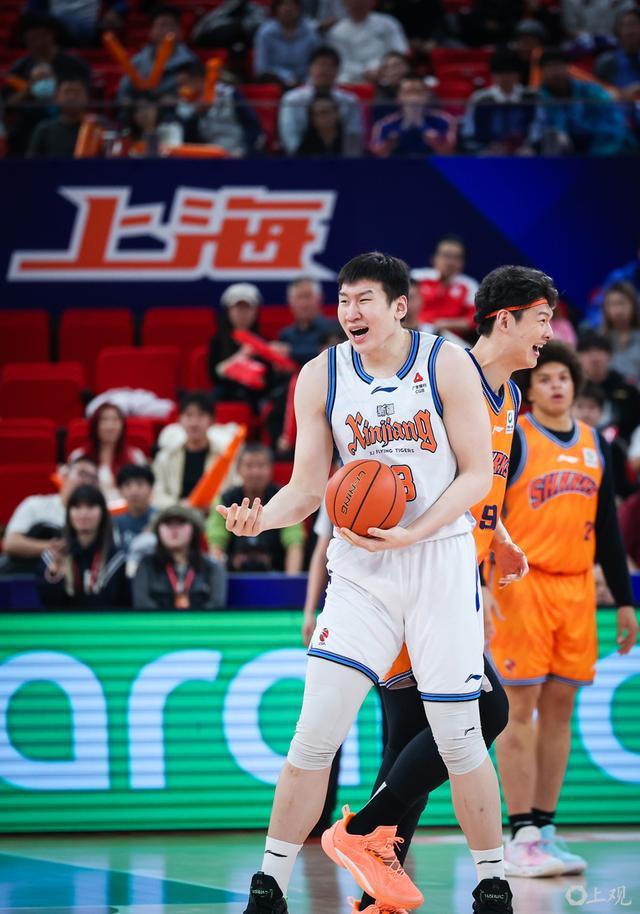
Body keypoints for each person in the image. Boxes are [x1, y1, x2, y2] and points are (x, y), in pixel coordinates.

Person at [218, 252, 512, 914]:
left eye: (364, 300)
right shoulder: (319, 375)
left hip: (438, 560)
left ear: (399, 306)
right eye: (344, 300)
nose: (350, 312)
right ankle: (268, 887)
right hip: (361, 571)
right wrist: (261, 518)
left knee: (461, 734)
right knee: (314, 733)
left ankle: (493, 885)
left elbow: (475, 474)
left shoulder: (446, 362)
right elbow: (306, 488)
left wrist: (415, 530)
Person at [325, 265, 561, 913]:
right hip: (409, 581)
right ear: (506, 318)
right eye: (542, 319)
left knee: (411, 738)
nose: (549, 334)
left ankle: (376, 891)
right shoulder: (445, 375)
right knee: (485, 714)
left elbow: (474, 484)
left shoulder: (508, 396)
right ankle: (366, 833)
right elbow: (399, 479)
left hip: (454, 584)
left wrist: (499, 536)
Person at [490, 341, 638, 875]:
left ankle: (545, 829)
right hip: (520, 585)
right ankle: (520, 833)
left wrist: (625, 601)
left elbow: (610, 533)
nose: (556, 385)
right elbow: (487, 515)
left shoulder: (597, 444)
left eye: (563, 378)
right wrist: (481, 586)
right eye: (546, 378)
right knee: (519, 710)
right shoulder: (515, 437)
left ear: (576, 386)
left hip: (577, 589)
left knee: (560, 712)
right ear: (530, 390)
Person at [208, 444, 305, 572]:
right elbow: (216, 543)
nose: (255, 472)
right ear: (238, 469)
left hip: (276, 574)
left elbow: (294, 542)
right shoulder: (225, 499)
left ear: (271, 469)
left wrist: (291, 580)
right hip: (233, 576)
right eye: (249, 466)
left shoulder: (285, 499)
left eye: (261, 466)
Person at [529, 49, 636, 156]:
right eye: (549, 68)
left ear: (568, 68)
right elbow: (537, 131)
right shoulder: (539, 99)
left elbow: (615, 123)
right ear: (542, 72)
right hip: (562, 157)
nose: (554, 72)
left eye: (558, 66)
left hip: (606, 152)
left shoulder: (592, 92)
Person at [37, 484, 129, 607]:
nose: (83, 514)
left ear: (103, 512)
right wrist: (55, 573)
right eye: (77, 507)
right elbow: (47, 601)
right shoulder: (54, 555)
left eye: (90, 507)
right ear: (68, 513)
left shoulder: (116, 557)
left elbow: (119, 602)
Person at [2, 456, 99, 571]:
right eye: (82, 474)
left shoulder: (95, 516)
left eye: (93, 478)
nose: (87, 481)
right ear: (65, 474)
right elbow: (10, 543)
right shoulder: (35, 504)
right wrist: (51, 546)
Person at [152, 392, 239, 509]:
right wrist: (180, 506)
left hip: (214, 513)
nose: (194, 423)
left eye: (201, 416)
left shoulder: (224, 456)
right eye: (189, 415)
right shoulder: (166, 456)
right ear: (179, 419)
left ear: (212, 420)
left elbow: (233, 489)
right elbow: (157, 493)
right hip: (176, 513)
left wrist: (214, 505)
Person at [133, 505, 227, 609]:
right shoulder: (146, 565)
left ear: (194, 529)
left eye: (181, 523)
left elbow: (216, 604)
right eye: (168, 523)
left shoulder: (212, 567)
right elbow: (142, 603)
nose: (174, 530)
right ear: (158, 530)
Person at [278, 45, 364, 155]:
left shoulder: (349, 100)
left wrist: (350, 162)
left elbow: (354, 135)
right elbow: (289, 136)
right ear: (310, 68)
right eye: (320, 64)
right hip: (302, 159)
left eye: (330, 66)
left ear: (338, 70)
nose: (324, 70)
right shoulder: (292, 99)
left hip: (341, 158)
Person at [175, 60, 263, 156]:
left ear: (198, 80)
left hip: (236, 150)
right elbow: (186, 138)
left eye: (184, 83)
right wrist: (195, 114)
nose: (181, 89)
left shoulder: (229, 94)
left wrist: (245, 149)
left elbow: (252, 124)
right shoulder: (184, 101)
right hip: (206, 153)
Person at [68, 402, 147, 506]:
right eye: (104, 420)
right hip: (92, 510)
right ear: (95, 425)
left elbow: (145, 491)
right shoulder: (79, 456)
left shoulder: (136, 456)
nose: (110, 426)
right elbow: (70, 495)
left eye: (115, 420)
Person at [461, 49, 537, 155]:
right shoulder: (480, 98)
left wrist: (528, 144)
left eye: (509, 73)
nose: (505, 77)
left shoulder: (530, 96)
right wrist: (486, 145)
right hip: (488, 151)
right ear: (493, 75)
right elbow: (469, 130)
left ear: (518, 74)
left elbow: (537, 126)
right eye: (500, 73)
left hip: (524, 150)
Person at [572, 381, 636, 500]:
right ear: (570, 409)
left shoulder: (612, 447)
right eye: (580, 406)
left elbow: (620, 487)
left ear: (601, 412)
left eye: (592, 407)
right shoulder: (558, 444)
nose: (586, 413)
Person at [117, 6, 196, 101]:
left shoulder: (191, 63)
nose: (166, 30)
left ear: (180, 31)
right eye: (162, 25)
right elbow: (123, 96)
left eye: (171, 25)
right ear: (151, 32)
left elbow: (194, 97)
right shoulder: (137, 62)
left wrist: (175, 101)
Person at [370, 74, 456, 157]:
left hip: (434, 165)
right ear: (398, 97)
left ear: (427, 96)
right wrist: (402, 129)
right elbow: (377, 155)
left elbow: (447, 152)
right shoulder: (384, 124)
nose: (413, 98)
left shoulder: (444, 120)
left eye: (418, 92)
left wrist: (422, 125)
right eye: (408, 93)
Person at [576, 331, 640, 442]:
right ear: (577, 357)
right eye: (587, 351)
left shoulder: (627, 389)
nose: (595, 357)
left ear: (611, 356)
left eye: (600, 350)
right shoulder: (572, 388)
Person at [411, 234, 479, 338]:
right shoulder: (417, 277)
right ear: (434, 258)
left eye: (456, 257)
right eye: (446, 256)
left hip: (448, 338)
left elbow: (476, 319)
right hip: (413, 331)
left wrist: (446, 324)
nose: (450, 262)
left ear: (463, 262)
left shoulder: (469, 285)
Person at [327, 0, 409, 84]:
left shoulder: (388, 23)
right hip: (353, 76)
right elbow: (341, 60)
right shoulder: (337, 31)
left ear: (371, 2)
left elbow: (400, 49)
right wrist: (363, 72)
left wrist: (383, 67)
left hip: (387, 71)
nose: (357, 3)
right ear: (344, 3)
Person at [8, 12, 91, 85]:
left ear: (51, 35)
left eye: (38, 37)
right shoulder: (19, 68)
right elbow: (9, 97)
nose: (36, 44)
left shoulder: (75, 65)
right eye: (31, 40)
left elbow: (85, 94)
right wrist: (29, 88)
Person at [254, 0, 319, 87]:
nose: (288, 9)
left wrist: (306, 83)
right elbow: (261, 68)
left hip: (305, 83)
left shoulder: (310, 32)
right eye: (284, 5)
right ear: (276, 9)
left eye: (292, 5)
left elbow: (316, 62)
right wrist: (285, 76)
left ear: (299, 9)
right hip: (275, 83)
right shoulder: (265, 33)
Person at [27, 77, 90, 157]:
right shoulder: (44, 130)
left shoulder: (96, 129)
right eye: (67, 92)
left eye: (77, 92)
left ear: (87, 97)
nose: (72, 97)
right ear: (56, 97)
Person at [6, 62, 57, 158]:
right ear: (30, 83)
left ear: (55, 79)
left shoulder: (65, 105)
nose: (44, 82)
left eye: (46, 78)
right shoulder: (22, 109)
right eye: (38, 79)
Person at [279, 277, 333, 365]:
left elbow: (331, 355)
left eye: (308, 296)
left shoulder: (334, 329)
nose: (303, 304)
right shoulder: (285, 335)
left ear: (320, 298)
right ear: (290, 301)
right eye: (299, 297)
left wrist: (289, 352)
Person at [599, 281, 640, 384]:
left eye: (622, 303)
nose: (618, 311)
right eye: (612, 305)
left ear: (634, 305)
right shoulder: (600, 339)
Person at [595, 8, 640, 96]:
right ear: (618, 31)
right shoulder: (606, 62)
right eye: (625, 26)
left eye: (634, 24)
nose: (630, 30)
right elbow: (598, 94)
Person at [113, 464, 157, 551]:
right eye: (127, 485)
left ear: (151, 488)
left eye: (140, 484)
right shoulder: (114, 524)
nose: (134, 491)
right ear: (120, 491)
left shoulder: (162, 520)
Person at [371, 50, 410, 122]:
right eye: (392, 67)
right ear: (383, 71)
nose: (396, 70)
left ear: (407, 67)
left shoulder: (418, 88)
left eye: (398, 65)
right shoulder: (378, 92)